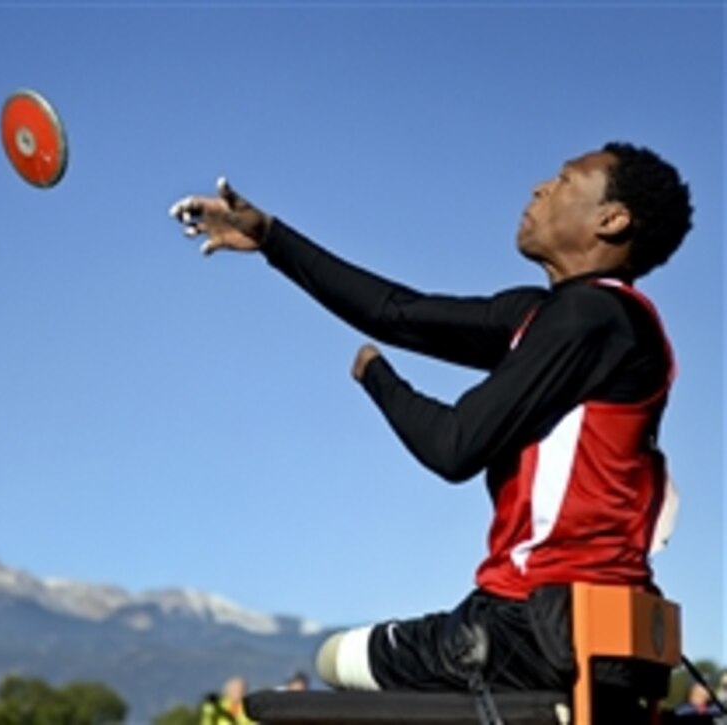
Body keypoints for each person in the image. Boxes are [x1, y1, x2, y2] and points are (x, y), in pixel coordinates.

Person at [168, 142, 692, 694]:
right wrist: (272, 237)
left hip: (534, 626)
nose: (540, 187)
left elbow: (454, 444)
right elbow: (397, 312)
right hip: (586, 624)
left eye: (564, 180)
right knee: (346, 660)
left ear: (611, 220)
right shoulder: (555, 316)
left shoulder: (592, 315)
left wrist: (377, 377)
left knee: (334, 659)